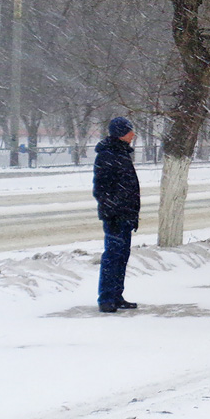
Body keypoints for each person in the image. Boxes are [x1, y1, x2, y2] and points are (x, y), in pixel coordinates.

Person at [93, 116, 140, 313]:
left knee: (121, 256)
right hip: (115, 216)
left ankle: (116, 295)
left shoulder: (121, 153)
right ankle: (106, 298)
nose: (133, 134)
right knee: (112, 256)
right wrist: (111, 211)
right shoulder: (108, 155)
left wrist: (131, 213)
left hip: (125, 215)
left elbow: (128, 188)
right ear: (121, 132)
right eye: (130, 130)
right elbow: (101, 188)